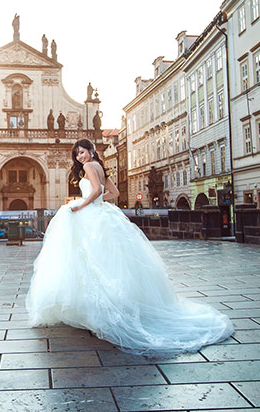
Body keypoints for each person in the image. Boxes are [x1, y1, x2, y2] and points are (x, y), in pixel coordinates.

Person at [26, 138, 233, 356]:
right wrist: (95, 201)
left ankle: (95, 311)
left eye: (83, 152)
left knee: (87, 259)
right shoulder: (100, 166)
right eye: (77, 154)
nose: (80, 157)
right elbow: (113, 193)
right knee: (105, 261)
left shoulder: (88, 167)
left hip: (90, 215)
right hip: (102, 214)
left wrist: (81, 204)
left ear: (91, 150)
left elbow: (96, 190)